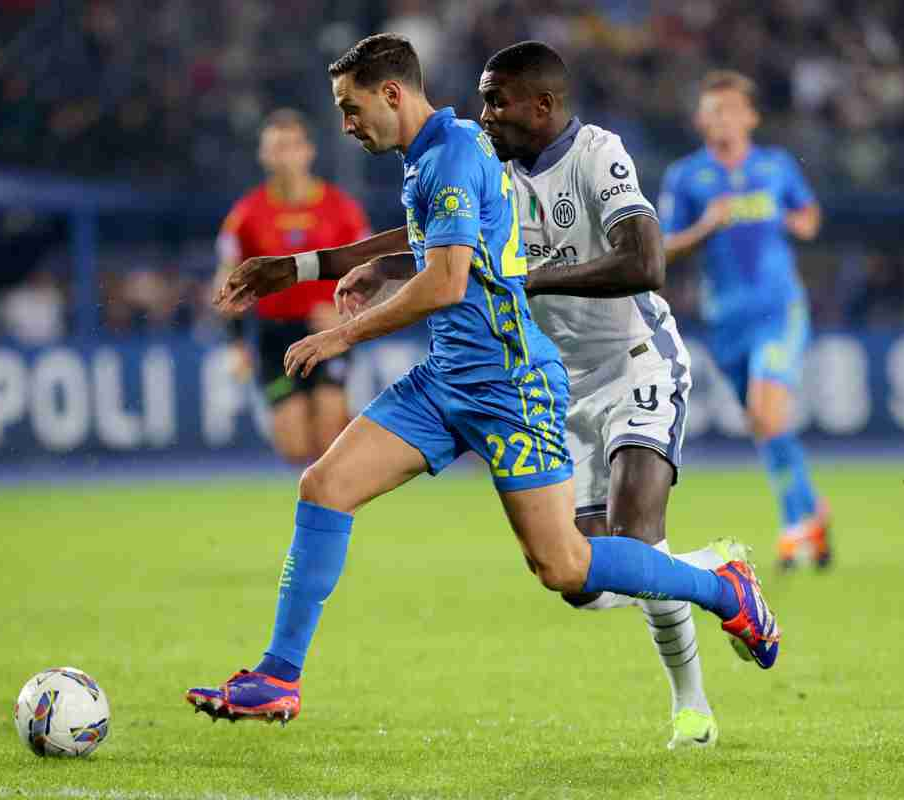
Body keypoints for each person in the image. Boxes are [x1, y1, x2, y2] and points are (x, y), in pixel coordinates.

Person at [188, 34, 780, 726]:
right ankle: (277, 677)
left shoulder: (466, 151)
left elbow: (444, 280)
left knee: (565, 568)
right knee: (324, 484)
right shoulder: (447, 153)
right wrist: (298, 268)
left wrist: (341, 333)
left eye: (351, 109)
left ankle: (720, 587)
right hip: (448, 379)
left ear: (391, 94)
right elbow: (425, 237)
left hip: (513, 384)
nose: (346, 125)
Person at [478, 41, 740, 749]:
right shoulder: (493, 172)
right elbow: (426, 238)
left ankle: (692, 708)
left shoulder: (598, 153)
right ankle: (718, 573)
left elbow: (647, 262)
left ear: (544, 104)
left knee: (636, 541)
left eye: (496, 100)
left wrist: (533, 280)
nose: (485, 114)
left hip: (637, 361)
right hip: (563, 392)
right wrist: (333, 268)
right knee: (582, 581)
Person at [659, 71, 830, 570]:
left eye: (731, 109)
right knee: (764, 422)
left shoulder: (775, 167)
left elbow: (810, 216)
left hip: (779, 310)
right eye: (713, 110)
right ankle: (814, 512)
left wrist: (792, 221)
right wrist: (706, 226)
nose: (722, 118)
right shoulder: (686, 177)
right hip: (725, 322)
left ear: (750, 116)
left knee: (766, 411)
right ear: (699, 120)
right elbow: (665, 246)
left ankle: (794, 529)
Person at [215, 109, 371, 464]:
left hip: (326, 331)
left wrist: (347, 316)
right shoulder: (245, 216)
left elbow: (372, 272)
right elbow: (227, 283)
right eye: (276, 147)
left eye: (292, 145)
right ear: (264, 155)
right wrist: (235, 342)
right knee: (295, 445)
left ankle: (340, 495)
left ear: (308, 151)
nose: (285, 155)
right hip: (275, 336)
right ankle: (362, 448)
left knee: (328, 426)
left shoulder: (342, 210)